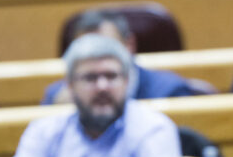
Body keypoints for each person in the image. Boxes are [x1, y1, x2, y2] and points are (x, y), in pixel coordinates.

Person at [12, 34, 181, 157]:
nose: (102, 86)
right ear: (70, 86)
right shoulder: (43, 133)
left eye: (111, 76)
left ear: (127, 81)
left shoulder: (153, 129)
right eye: (90, 78)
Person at [42, 10, 200, 105]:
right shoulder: (57, 97)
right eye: (86, 52)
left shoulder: (169, 91)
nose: (97, 60)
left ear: (129, 45)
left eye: (107, 49)